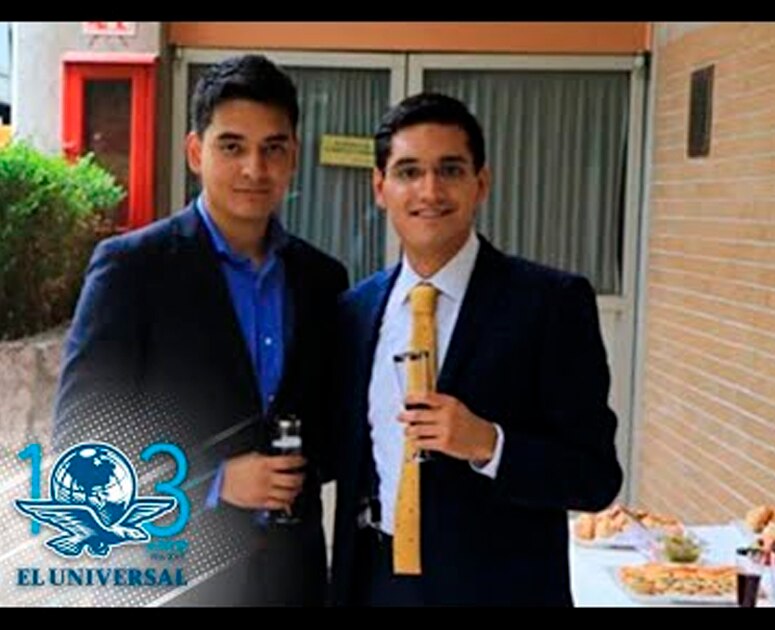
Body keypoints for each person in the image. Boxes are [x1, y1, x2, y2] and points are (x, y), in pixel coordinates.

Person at [55, 54, 347, 606]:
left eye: (273, 149)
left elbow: (330, 430)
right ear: (196, 152)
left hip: (292, 581)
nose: (254, 170)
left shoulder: (322, 280)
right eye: (232, 146)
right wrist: (212, 483)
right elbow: (83, 439)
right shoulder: (132, 270)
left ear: (294, 157)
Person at [329, 92, 622, 606]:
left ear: (480, 182)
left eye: (450, 169)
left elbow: (595, 477)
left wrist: (490, 444)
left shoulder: (549, 303)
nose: (430, 190)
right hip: (378, 585)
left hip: (500, 591)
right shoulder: (354, 311)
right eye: (408, 171)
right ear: (380, 187)